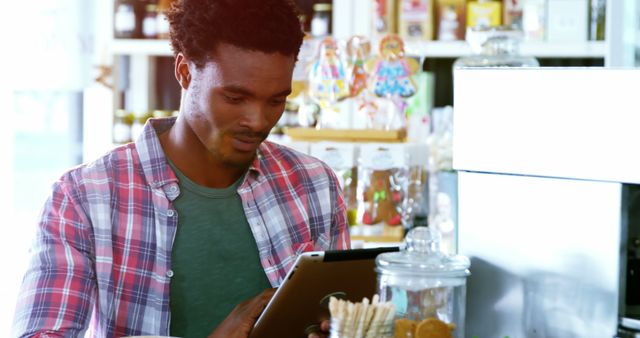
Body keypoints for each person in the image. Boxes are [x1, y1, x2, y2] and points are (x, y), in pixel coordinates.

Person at [12, 0, 350, 337]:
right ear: (185, 72)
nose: (258, 121)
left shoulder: (315, 185)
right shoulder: (84, 197)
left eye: (276, 100)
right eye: (234, 98)